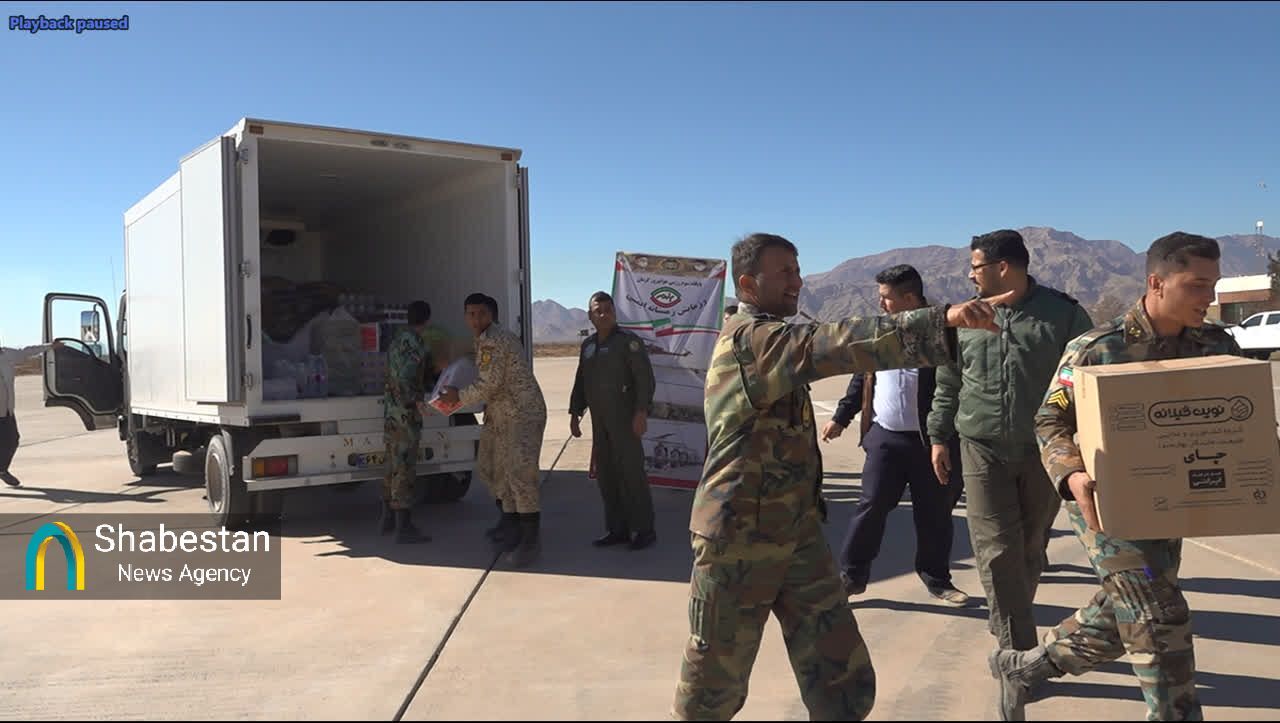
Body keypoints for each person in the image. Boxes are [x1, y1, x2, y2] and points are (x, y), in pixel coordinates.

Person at [672, 232, 1016, 721]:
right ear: (748, 284)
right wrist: (943, 319)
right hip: (738, 539)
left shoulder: (773, 336)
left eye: (798, 270)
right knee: (713, 684)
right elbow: (834, 343)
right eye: (784, 273)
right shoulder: (751, 339)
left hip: (796, 532)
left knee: (840, 673)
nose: (797, 281)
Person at [990, 232, 1239, 722]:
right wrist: (1071, 474)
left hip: (1173, 499)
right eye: (1196, 285)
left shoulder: (1215, 345)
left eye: (1213, 285)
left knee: (1126, 605)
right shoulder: (1098, 349)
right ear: (1156, 283)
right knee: (1156, 614)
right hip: (1104, 502)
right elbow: (1050, 419)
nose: (1208, 297)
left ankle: (1029, 668)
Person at [927, 229, 1094, 654]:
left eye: (975, 267)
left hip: (1044, 451)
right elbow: (949, 381)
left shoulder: (1064, 315)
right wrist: (939, 436)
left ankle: (1007, 617)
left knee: (1030, 548)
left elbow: (1085, 378)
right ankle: (1016, 652)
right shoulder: (965, 318)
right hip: (980, 446)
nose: (970, 276)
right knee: (996, 550)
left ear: (1002, 267)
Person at [821, 265, 970, 606]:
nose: (881, 303)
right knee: (871, 505)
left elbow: (957, 387)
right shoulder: (881, 333)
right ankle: (851, 576)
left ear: (909, 298)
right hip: (886, 438)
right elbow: (862, 378)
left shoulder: (945, 335)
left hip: (934, 444)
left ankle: (937, 579)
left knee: (935, 513)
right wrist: (842, 417)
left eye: (886, 297)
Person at [436, 293, 548, 567]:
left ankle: (529, 540)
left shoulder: (494, 340)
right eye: (471, 314)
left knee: (519, 474)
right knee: (492, 469)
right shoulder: (484, 339)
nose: (476, 319)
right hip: (502, 414)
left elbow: (489, 385)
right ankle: (511, 524)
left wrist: (457, 397)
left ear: (492, 316)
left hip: (522, 414)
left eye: (482, 314)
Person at [569, 291, 659, 550]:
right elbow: (581, 381)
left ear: (614, 313)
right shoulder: (588, 346)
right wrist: (575, 413)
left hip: (625, 419)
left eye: (608, 309)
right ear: (590, 316)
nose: (604, 314)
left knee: (631, 473)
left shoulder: (628, 342)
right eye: (598, 311)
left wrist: (641, 412)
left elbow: (644, 379)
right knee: (606, 474)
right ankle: (617, 528)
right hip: (600, 421)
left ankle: (644, 529)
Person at [380, 301, 434, 544]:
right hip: (405, 415)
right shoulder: (416, 344)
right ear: (427, 320)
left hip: (391, 412)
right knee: (404, 468)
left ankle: (387, 519)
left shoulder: (395, 341)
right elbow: (406, 378)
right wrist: (417, 402)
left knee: (391, 465)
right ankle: (404, 527)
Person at [0, 339, 63, 487]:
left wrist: (50, 346)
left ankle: (2, 470)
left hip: (6, 409)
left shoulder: (7, 354)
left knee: (12, 440)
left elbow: (27, 351)